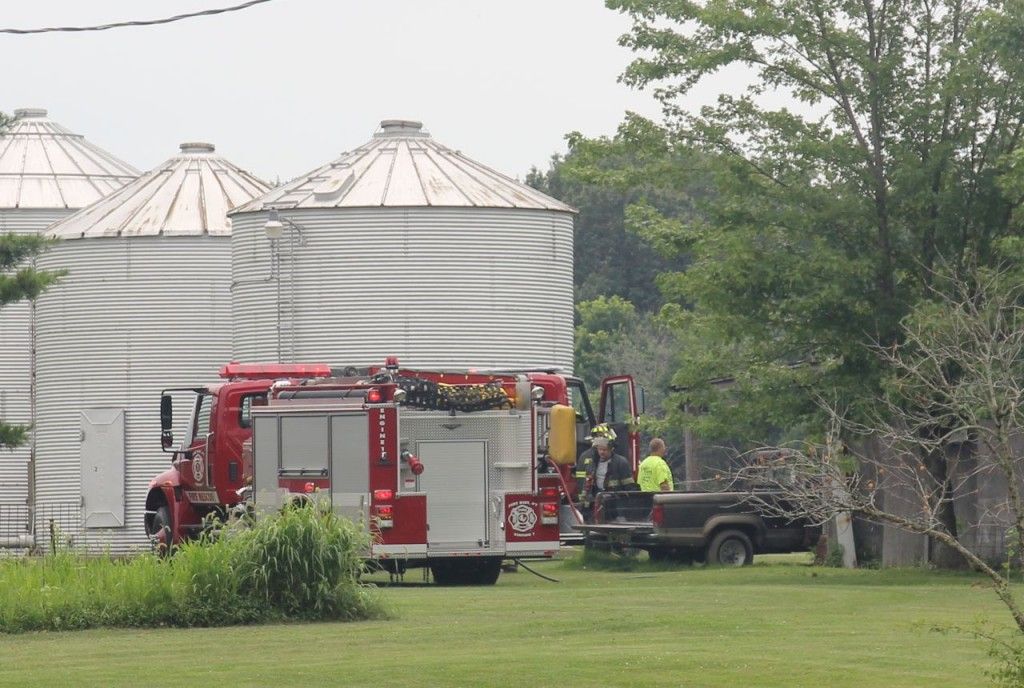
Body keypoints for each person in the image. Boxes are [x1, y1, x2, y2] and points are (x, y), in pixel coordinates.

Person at [579, 429, 637, 521]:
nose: (601, 452)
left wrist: (628, 510)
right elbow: (586, 487)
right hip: (594, 508)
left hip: (615, 509)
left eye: (604, 449)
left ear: (611, 449)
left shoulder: (620, 463)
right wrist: (584, 507)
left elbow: (630, 488)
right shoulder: (592, 463)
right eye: (599, 449)